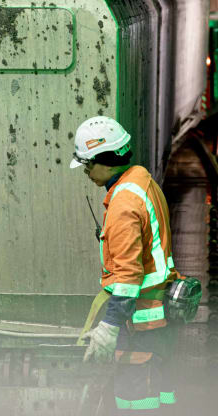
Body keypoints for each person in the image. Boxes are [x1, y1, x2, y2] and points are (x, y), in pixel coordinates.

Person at [70, 116, 179, 413]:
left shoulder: (123, 205)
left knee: (134, 402)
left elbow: (129, 276)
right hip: (162, 318)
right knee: (164, 396)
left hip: (142, 322)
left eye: (88, 164)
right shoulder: (142, 182)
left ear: (106, 160)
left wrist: (109, 326)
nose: (87, 172)